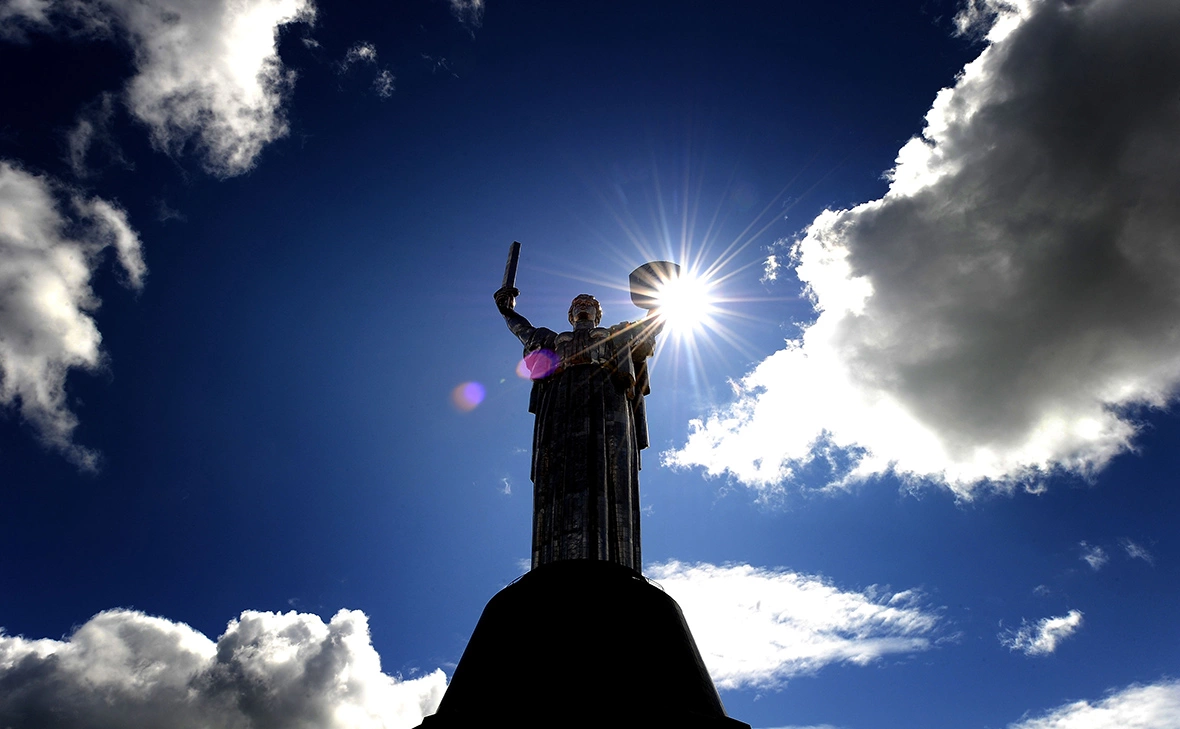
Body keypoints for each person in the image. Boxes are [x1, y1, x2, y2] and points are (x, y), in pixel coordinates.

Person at [494, 285, 662, 572]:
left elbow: (652, 325)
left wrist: (661, 297)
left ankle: (615, 562)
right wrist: (507, 310)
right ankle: (555, 562)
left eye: (589, 304)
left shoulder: (617, 333)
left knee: (611, 467)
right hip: (563, 399)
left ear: (597, 314)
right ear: (570, 315)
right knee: (560, 470)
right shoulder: (553, 339)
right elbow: (524, 331)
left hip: (607, 396)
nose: (583, 306)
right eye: (577, 304)